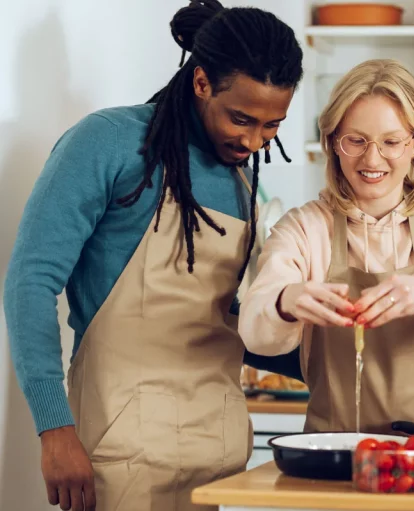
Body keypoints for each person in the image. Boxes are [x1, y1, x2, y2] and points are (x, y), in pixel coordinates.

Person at [4, 1, 304, 510]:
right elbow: (29, 282)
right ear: (202, 82)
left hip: (218, 449)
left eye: (272, 126)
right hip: (122, 448)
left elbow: (218, 322)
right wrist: (54, 426)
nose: (253, 140)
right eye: (242, 118)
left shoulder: (243, 183)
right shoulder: (110, 143)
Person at [238, 59, 414, 434]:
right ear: (333, 142)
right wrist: (285, 301)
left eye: (391, 142)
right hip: (334, 457)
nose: (372, 158)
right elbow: (254, 332)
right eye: (356, 140)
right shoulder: (304, 229)